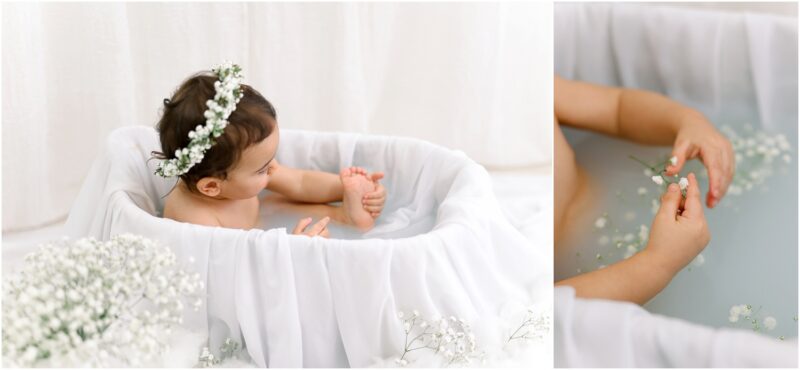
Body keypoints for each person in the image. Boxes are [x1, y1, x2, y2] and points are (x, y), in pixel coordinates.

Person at [554, 76, 734, 304]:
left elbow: (616, 107)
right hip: (594, 276)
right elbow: (539, 313)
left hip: (609, 192)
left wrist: (688, 121)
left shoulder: (515, 81)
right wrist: (657, 264)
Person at [153, 63, 387, 236]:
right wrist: (291, 250)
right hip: (248, 251)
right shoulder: (195, 221)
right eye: (262, 169)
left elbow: (301, 182)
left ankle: (346, 216)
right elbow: (235, 273)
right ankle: (338, 221)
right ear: (212, 186)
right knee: (272, 205)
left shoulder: (234, 176)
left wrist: (345, 187)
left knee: (275, 202)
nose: (271, 170)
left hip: (259, 221)